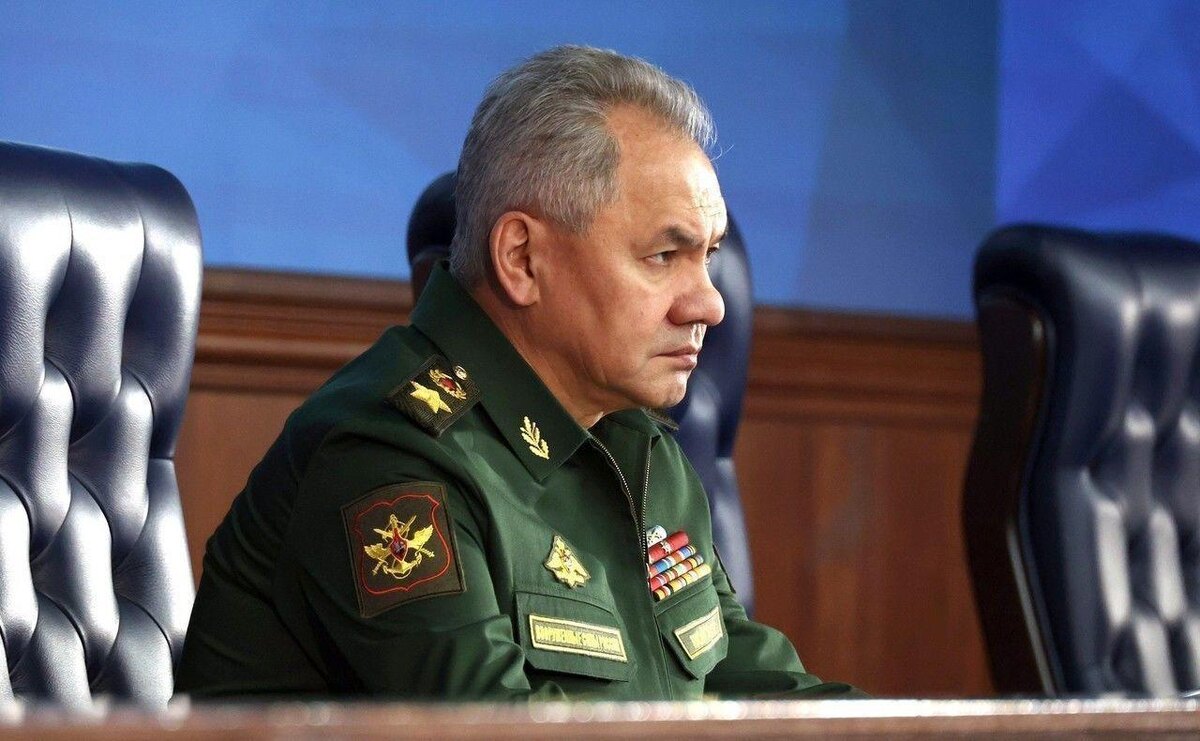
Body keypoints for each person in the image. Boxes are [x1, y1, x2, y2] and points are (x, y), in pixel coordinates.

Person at [177, 45, 859, 700]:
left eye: (707, 256)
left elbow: (753, 690)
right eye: (663, 256)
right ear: (522, 259)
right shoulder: (390, 458)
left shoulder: (640, 446)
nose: (710, 303)